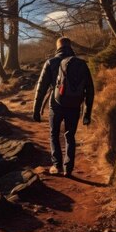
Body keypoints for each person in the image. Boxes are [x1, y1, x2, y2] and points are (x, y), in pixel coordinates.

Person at [32, 37, 94, 177]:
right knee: (70, 136)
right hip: (74, 105)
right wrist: (87, 113)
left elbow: (41, 88)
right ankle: (68, 169)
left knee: (54, 134)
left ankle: (57, 166)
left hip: (56, 105)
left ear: (58, 47)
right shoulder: (81, 64)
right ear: (70, 46)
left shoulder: (51, 62)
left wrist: (36, 110)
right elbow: (89, 90)